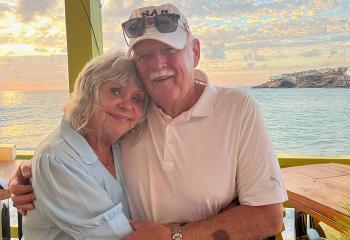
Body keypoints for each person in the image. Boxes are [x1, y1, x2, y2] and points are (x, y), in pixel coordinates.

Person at [10, 3, 288, 240]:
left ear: (195, 52)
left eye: (169, 51)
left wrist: (175, 235)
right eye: (144, 56)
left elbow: (269, 217)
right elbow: (76, 143)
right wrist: (31, 172)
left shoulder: (237, 109)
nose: (157, 64)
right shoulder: (133, 115)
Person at [20, 51, 152, 239]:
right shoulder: (57, 158)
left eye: (137, 98)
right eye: (115, 91)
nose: (126, 105)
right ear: (88, 93)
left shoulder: (119, 145)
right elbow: (115, 236)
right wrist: (177, 231)